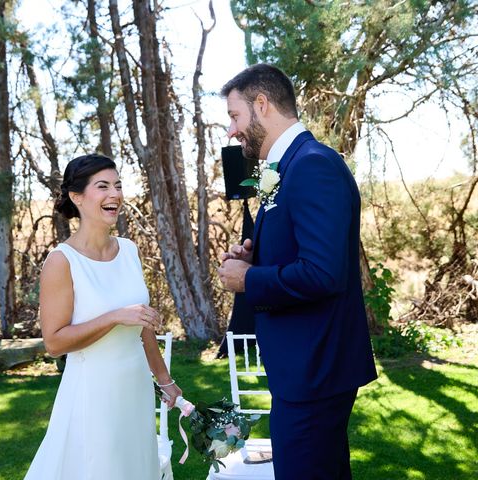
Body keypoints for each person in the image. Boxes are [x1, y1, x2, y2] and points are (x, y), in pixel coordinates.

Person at [217, 64, 377, 479]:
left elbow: (323, 273)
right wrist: (256, 259)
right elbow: (303, 253)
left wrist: (247, 280)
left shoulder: (312, 166)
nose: (232, 131)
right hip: (302, 369)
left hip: (315, 368)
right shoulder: (285, 169)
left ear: (262, 104)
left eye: (235, 116)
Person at [24, 153, 182, 480]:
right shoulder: (61, 261)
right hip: (93, 393)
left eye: (118, 185)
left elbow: (142, 326)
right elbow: (54, 343)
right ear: (77, 197)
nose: (115, 194)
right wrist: (113, 317)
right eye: (103, 186)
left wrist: (165, 380)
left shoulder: (129, 250)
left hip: (135, 388)